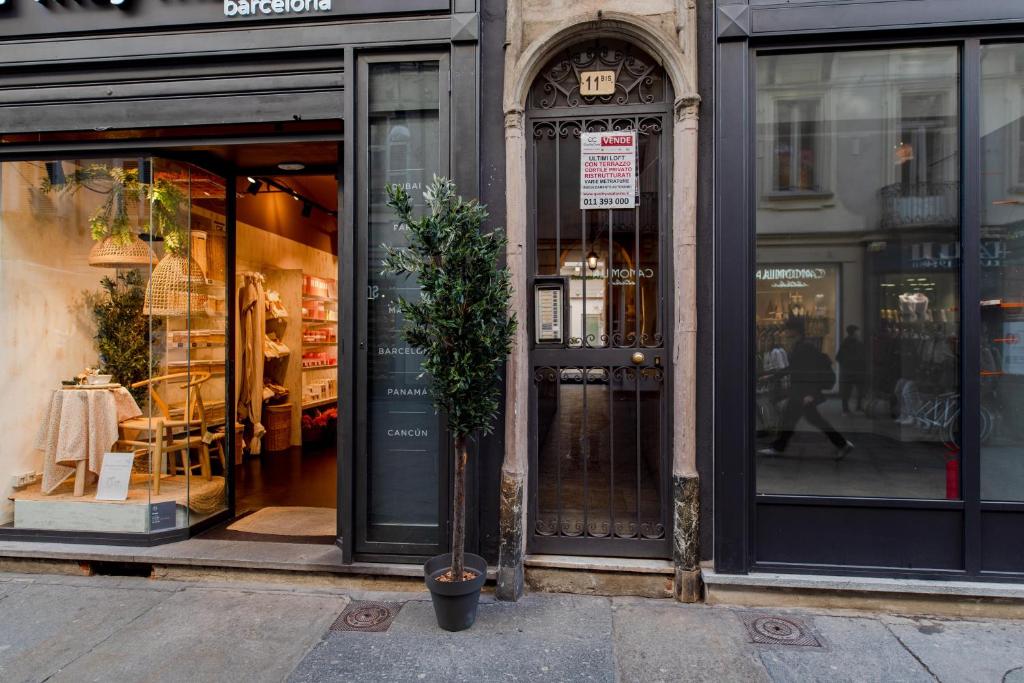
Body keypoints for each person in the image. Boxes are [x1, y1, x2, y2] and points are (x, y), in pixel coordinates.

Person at [759, 319, 854, 459]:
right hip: (801, 392)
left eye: (788, 329)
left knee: (797, 420)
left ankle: (779, 448)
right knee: (801, 420)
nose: (785, 332)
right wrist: (771, 377)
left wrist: (810, 394)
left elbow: (811, 372)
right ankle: (842, 444)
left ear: (795, 332)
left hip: (803, 392)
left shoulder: (804, 348)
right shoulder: (801, 346)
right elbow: (793, 368)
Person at [836, 324, 866, 415]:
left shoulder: (845, 343)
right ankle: (857, 407)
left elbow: (838, 357)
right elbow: (862, 357)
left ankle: (846, 409)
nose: (859, 334)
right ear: (854, 333)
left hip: (848, 371)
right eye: (857, 332)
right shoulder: (857, 344)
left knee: (847, 391)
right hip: (855, 370)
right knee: (858, 389)